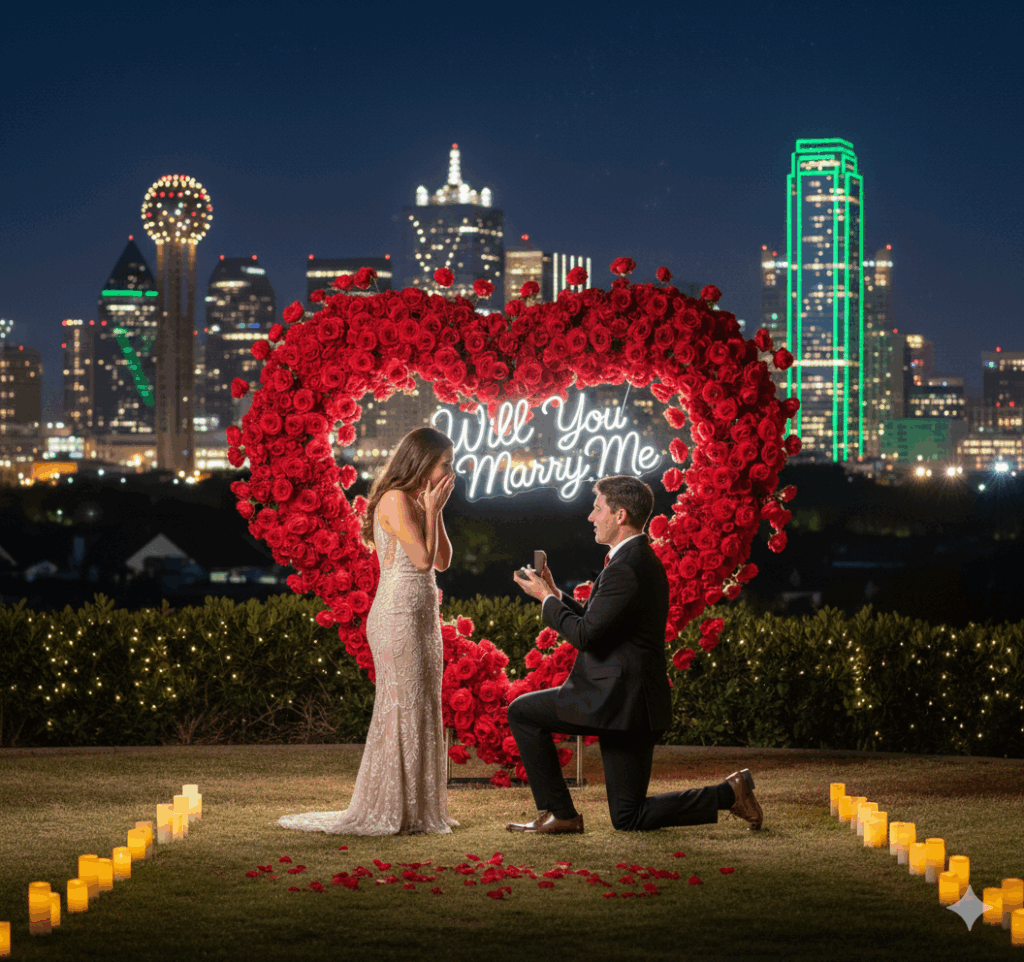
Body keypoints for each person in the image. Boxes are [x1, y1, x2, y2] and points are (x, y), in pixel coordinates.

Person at [508, 474, 763, 834]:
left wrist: (545, 600)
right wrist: (555, 593)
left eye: (597, 509)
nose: (591, 517)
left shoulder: (627, 567)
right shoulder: (633, 559)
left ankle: (561, 814)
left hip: (618, 703)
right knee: (629, 816)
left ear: (620, 515)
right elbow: (598, 621)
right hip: (627, 704)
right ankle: (729, 794)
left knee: (522, 712)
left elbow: (585, 636)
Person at [277, 427, 459, 835]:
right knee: (401, 707)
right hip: (397, 616)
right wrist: (430, 511)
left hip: (422, 617)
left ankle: (419, 809)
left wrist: (437, 509)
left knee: (424, 705)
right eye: (444, 462)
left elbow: (444, 561)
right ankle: (393, 807)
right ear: (422, 462)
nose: (451, 469)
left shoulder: (416, 500)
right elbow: (423, 559)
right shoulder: (396, 500)